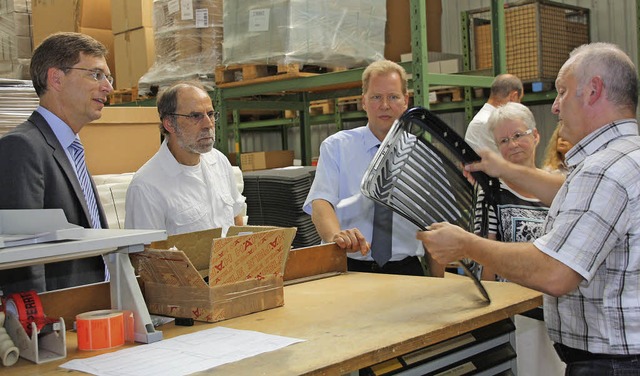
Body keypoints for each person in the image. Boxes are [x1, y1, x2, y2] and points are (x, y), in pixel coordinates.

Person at [418, 42, 640, 374]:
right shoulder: (625, 155)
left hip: (611, 364)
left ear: (593, 91)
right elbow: (570, 192)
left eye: (562, 92)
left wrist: (466, 244)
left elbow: (554, 271)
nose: (555, 106)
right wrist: (504, 169)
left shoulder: (604, 169)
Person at [303, 60, 443, 277]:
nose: (385, 105)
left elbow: (434, 225)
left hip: (406, 271)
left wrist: (438, 284)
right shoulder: (337, 147)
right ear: (364, 102)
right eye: (376, 97)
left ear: (406, 101)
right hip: (348, 268)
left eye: (393, 97)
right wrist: (336, 237)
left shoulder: (424, 156)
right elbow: (321, 202)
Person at [0, 32, 114, 294]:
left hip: (92, 307)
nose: (108, 87)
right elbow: (23, 256)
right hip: (58, 318)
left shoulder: (69, 147)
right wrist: (40, 327)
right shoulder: (23, 147)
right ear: (56, 78)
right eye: (96, 75)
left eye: (108, 77)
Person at [125, 81, 245, 236]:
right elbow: (146, 255)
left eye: (210, 114)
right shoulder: (146, 186)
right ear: (169, 124)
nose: (208, 124)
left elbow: (236, 220)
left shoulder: (219, 162)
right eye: (195, 116)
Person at [473, 102, 548, 281]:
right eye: (504, 140)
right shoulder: (492, 192)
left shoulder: (553, 188)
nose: (513, 144)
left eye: (518, 135)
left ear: (535, 136)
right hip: (513, 302)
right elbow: (483, 257)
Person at [464, 73, 524, 154]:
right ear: (513, 96)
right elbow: (508, 162)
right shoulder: (486, 123)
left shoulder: (488, 120)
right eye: (519, 100)